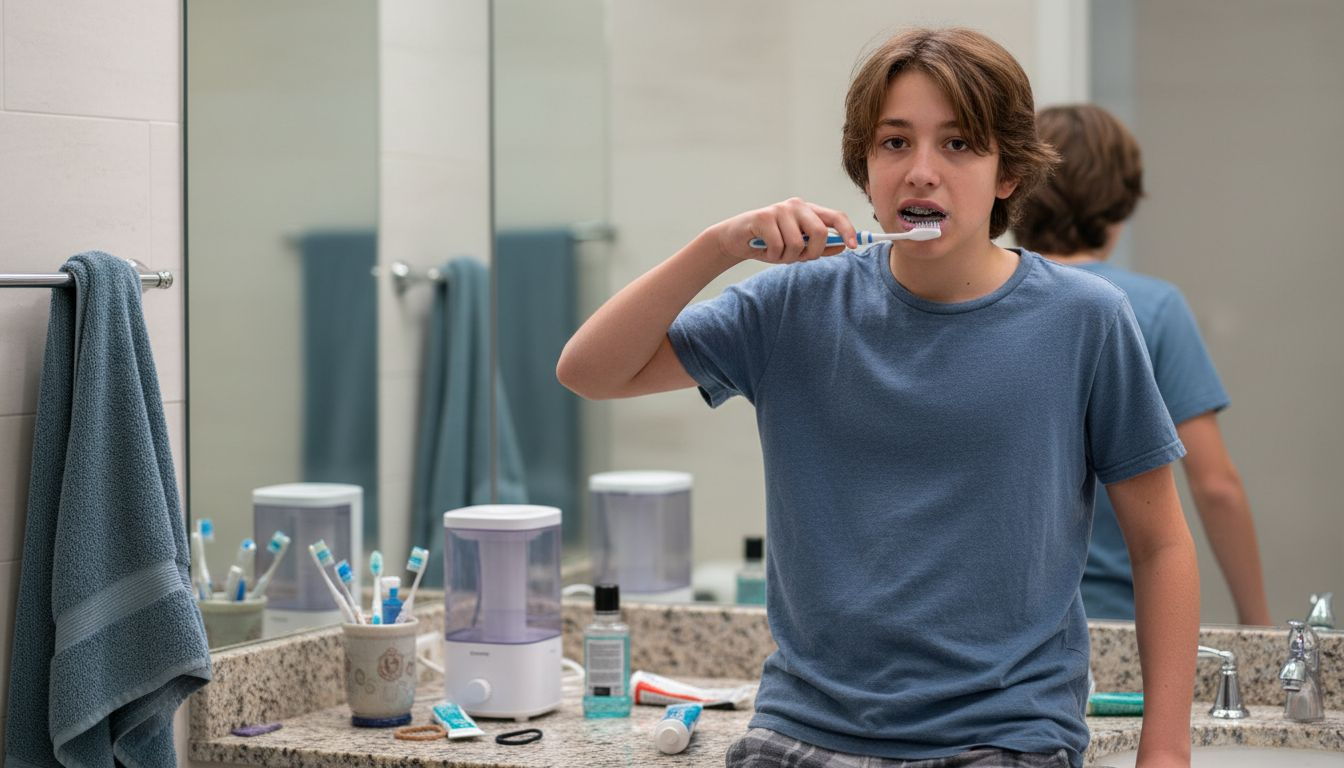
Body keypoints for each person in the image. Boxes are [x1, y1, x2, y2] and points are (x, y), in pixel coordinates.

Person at [558, 27, 1198, 768]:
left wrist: (1166, 753)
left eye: (958, 145)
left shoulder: (1085, 320)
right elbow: (588, 371)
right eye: (895, 143)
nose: (921, 171)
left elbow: (1161, 545)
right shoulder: (792, 308)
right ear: (865, 167)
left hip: (1001, 739)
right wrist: (720, 245)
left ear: (1008, 174)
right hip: (801, 732)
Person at [1013, 104, 1271, 627]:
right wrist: (1257, 625)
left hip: (1011, 625)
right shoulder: (1149, 308)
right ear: (1121, 201)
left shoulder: (980, 299)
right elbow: (1215, 483)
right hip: (1120, 622)